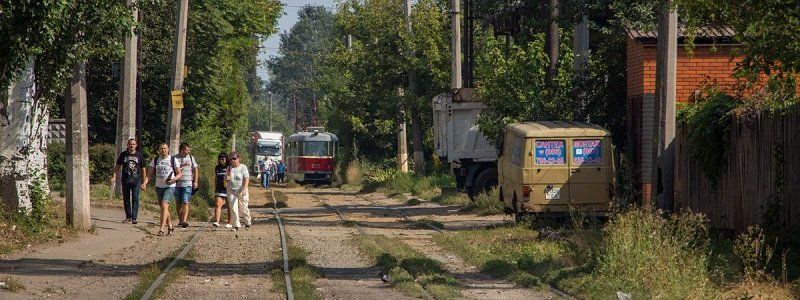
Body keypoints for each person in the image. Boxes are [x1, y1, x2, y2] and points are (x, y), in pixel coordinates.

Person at [145, 143, 182, 236]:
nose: (163, 150)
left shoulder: (173, 160)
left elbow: (179, 174)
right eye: (161, 148)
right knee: (164, 208)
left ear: (168, 149)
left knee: (164, 206)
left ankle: (161, 229)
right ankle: (170, 226)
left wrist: (173, 179)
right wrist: (145, 183)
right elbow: (149, 174)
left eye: (165, 148)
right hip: (159, 187)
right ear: (159, 150)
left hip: (170, 187)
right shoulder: (156, 160)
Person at [111, 138, 146, 224]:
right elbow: (117, 166)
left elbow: (143, 169)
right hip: (125, 179)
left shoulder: (139, 155)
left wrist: (144, 182)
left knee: (135, 198)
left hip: (136, 180)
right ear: (127, 145)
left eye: (134, 144)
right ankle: (128, 217)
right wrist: (114, 176)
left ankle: (134, 218)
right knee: (126, 199)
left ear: (136, 145)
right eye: (130, 144)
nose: (132, 146)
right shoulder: (124, 154)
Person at [174, 143, 198, 228]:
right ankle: (180, 220)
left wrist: (195, 181)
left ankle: (184, 220)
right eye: (187, 150)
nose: (189, 151)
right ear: (181, 150)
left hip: (188, 183)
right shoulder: (175, 158)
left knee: (185, 201)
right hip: (177, 184)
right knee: (178, 203)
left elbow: (195, 169)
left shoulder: (191, 158)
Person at [225, 151, 251, 231]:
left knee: (244, 208)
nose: (233, 160)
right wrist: (226, 179)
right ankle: (236, 225)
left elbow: (246, 178)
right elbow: (226, 179)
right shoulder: (229, 168)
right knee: (233, 208)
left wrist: (244, 188)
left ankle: (247, 222)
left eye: (234, 159)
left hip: (242, 190)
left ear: (238, 159)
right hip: (232, 191)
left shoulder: (243, 167)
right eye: (231, 159)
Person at [212, 152, 229, 227]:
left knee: (229, 206)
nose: (221, 160)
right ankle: (217, 221)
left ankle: (230, 222)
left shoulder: (229, 167)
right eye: (220, 159)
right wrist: (215, 188)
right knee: (218, 204)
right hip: (219, 188)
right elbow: (216, 178)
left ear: (226, 159)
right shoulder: (217, 168)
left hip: (228, 189)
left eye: (223, 159)